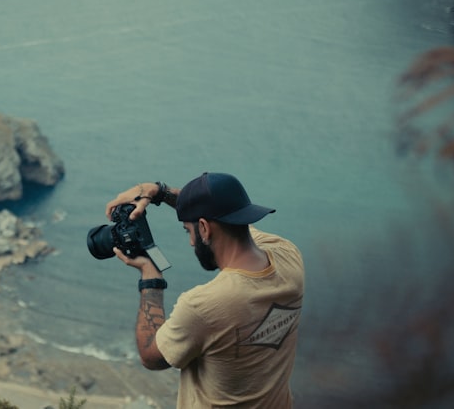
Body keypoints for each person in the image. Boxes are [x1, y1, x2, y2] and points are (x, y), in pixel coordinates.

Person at [104, 172, 304, 408]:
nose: (190, 242)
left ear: (204, 229)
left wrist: (151, 278)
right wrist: (159, 192)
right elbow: (224, 217)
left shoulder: (205, 305)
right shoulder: (289, 257)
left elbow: (151, 356)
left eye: (188, 231)